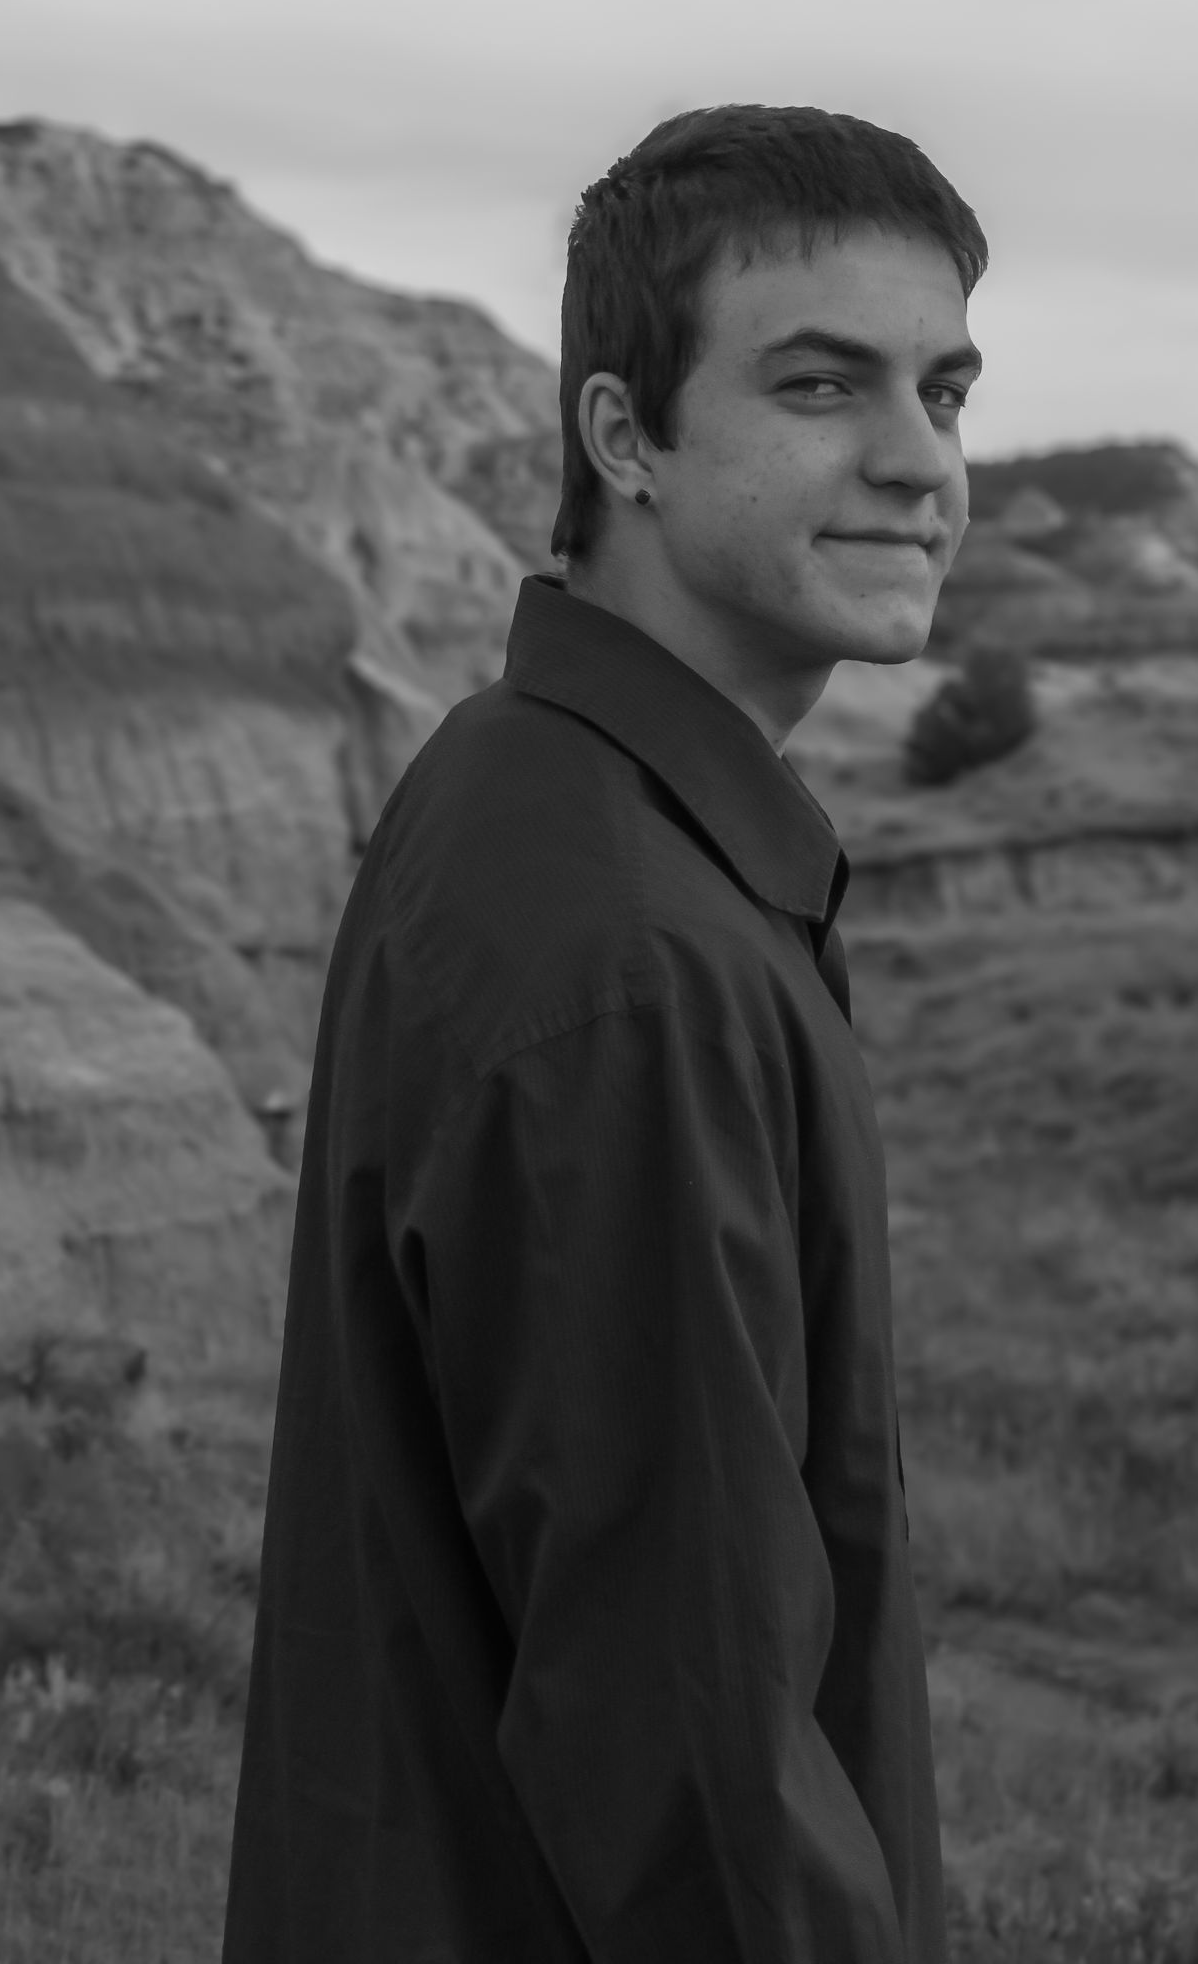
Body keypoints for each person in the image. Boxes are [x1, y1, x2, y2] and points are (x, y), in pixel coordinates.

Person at [224, 103, 987, 1962]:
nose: (918, 463)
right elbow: (694, 1764)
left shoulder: (531, 787)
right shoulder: (630, 954)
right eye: (821, 387)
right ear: (624, 436)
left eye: (946, 392)